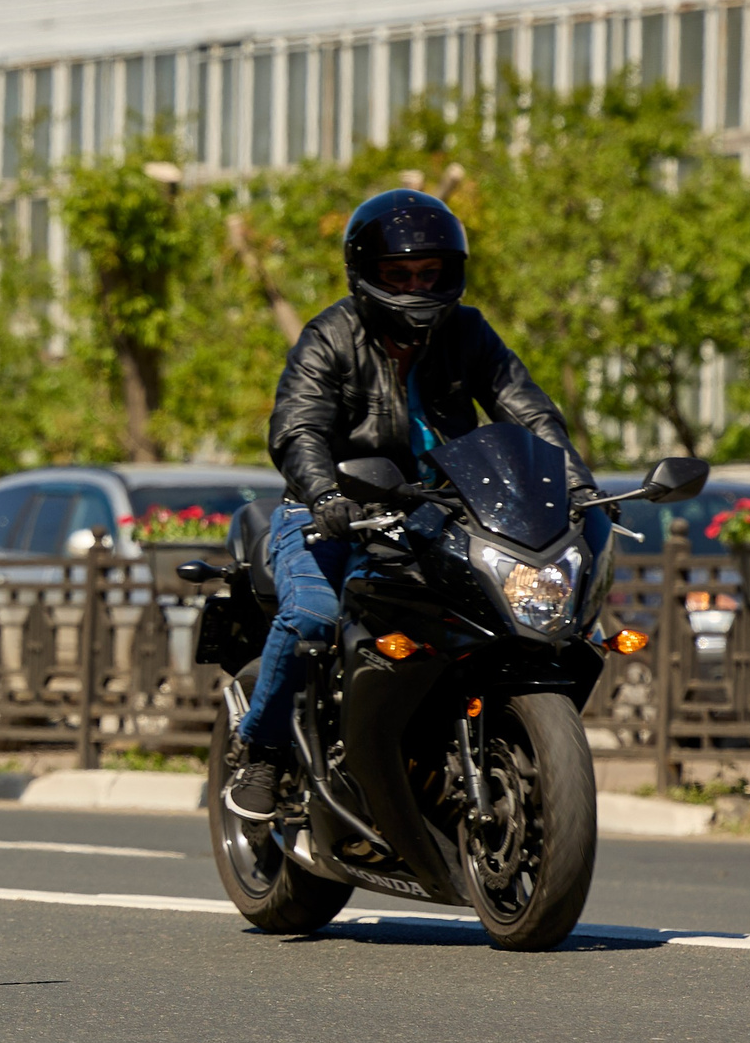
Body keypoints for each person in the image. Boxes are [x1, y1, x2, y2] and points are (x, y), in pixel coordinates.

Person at [225, 188, 597, 822]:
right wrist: (325, 493)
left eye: (430, 273)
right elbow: (298, 427)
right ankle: (262, 749)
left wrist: (577, 485)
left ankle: (457, 745)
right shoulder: (331, 336)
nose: (417, 287)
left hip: (437, 510)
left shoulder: (469, 332)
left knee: (529, 622)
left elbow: (526, 410)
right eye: (399, 275)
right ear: (366, 275)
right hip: (334, 507)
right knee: (314, 615)